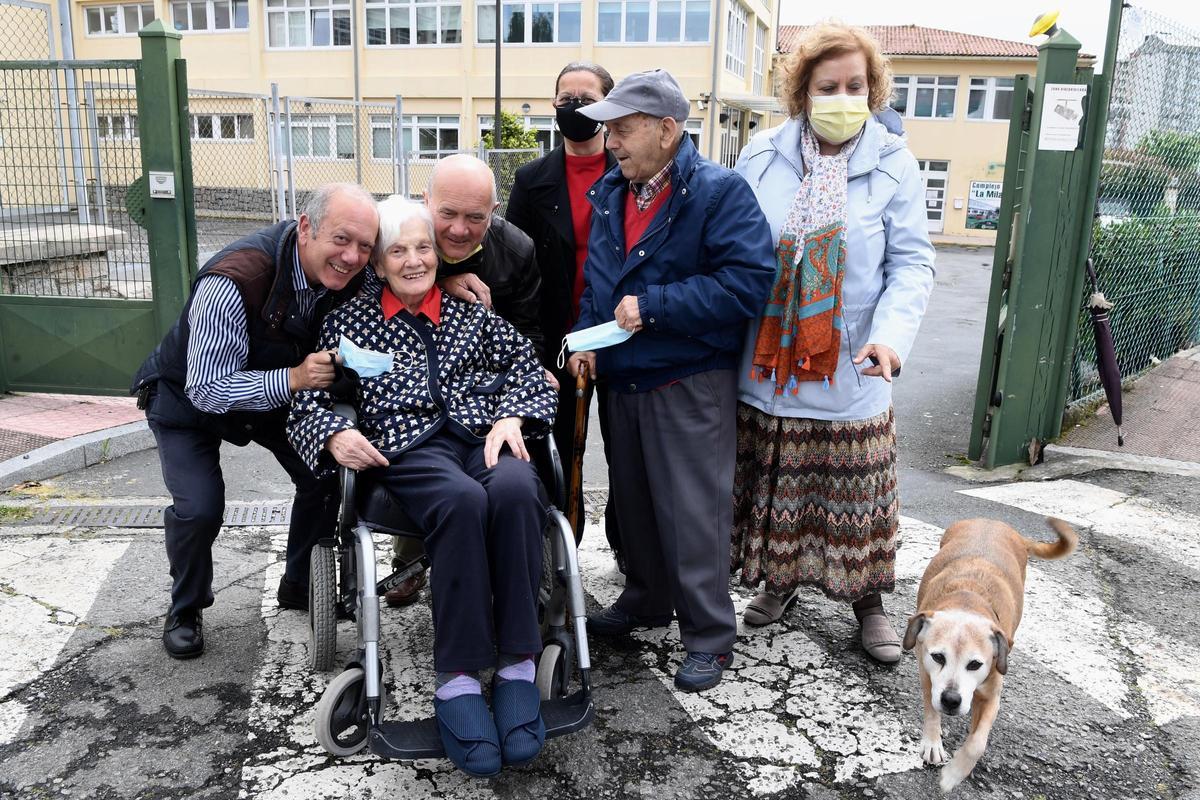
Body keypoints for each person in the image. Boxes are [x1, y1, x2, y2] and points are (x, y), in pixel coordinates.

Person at [287, 196, 556, 778]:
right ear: (377, 264)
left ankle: (517, 663)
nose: (414, 260)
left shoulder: (471, 314)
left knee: (517, 489)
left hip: (482, 433)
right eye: (398, 251)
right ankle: (457, 676)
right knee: (462, 500)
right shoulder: (348, 323)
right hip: (408, 448)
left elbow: (530, 369)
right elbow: (310, 399)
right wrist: (335, 432)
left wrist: (513, 416)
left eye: (424, 248)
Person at [729, 23, 936, 664]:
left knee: (854, 494)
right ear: (802, 93)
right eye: (828, 86)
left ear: (874, 90)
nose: (843, 98)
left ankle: (868, 602)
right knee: (780, 485)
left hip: (853, 367)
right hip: (772, 364)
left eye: (855, 86)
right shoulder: (761, 155)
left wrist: (891, 340)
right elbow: (732, 246)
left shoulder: (894, 163)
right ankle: (780, 583)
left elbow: (911, 264)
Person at [566, 69, 775, 692]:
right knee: (634, 504)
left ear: (666, 129)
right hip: (624, 377)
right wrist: (584, 337)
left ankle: (708, 635)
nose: (610, 142)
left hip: (688, 378)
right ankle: (648, 597)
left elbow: (747, 283)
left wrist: (654, 306)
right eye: (608, 130)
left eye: (622, 129)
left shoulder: (718, 191)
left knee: (693, 513)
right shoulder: (614, 191)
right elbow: (599, 283)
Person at [130, 183, 379, 660]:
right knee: (199, 508)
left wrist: (452, 280)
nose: (352, 257)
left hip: (271, 395)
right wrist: (295, 378)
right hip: (189, 399)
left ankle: (301, 584)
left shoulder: (356, 272)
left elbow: (407, 268)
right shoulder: (233, 279)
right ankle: (185, 608)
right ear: (305, 228)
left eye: (364, 246)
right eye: (341, 240)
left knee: (325, 474)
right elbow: (208, 388)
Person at [381, 154, 546, 609]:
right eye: (447, 214)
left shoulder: (517, 250)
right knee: (424, 452)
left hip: (482, 388)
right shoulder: (400, 232)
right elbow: (372, 290)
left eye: (475, 217)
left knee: (511, 469)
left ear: (494, 211)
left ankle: (517, 560)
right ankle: (409, 559)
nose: (458, 229)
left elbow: (528, 329)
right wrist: (440, 284)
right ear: (426, 202)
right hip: (411, 385)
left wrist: (527, 376)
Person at [505, 61, 625, 564]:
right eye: (565, 98)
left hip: (620, 332)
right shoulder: (531, 179)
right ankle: (557, 545)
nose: (574, 107)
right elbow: (511, 259)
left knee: (625, 445)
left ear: (607, 106)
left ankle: (626, 543)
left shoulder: (630, 172)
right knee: (556, 447)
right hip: (554, 337)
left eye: (586, 98)